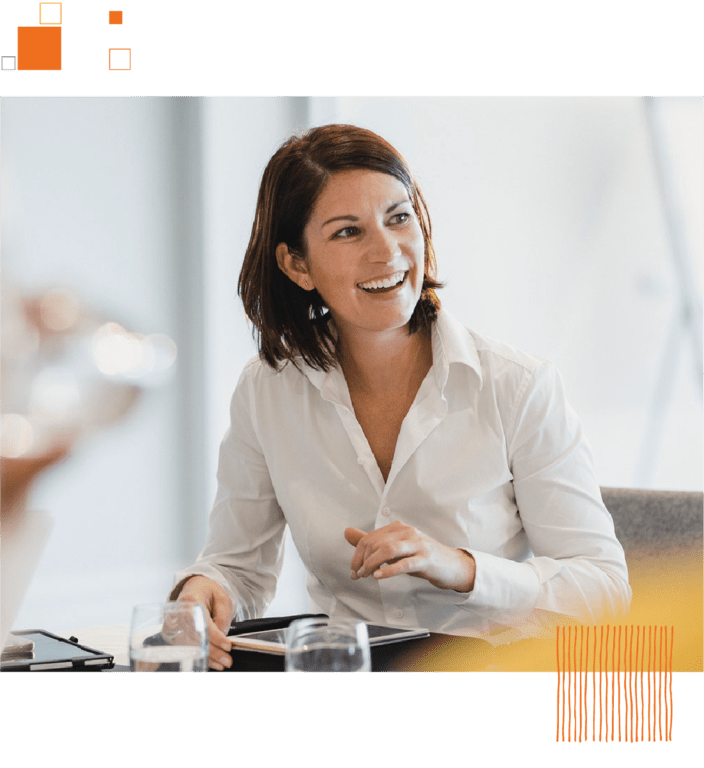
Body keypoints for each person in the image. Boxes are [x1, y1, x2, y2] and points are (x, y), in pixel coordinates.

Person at [172, 124, 631, 670]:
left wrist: (459, 566)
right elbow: (238, 568)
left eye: (398, 217)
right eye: (348, 232)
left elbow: (604, 591)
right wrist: (204, 590)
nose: (387, 252)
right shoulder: (267, 389)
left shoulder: (518, 386)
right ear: (297, 265)